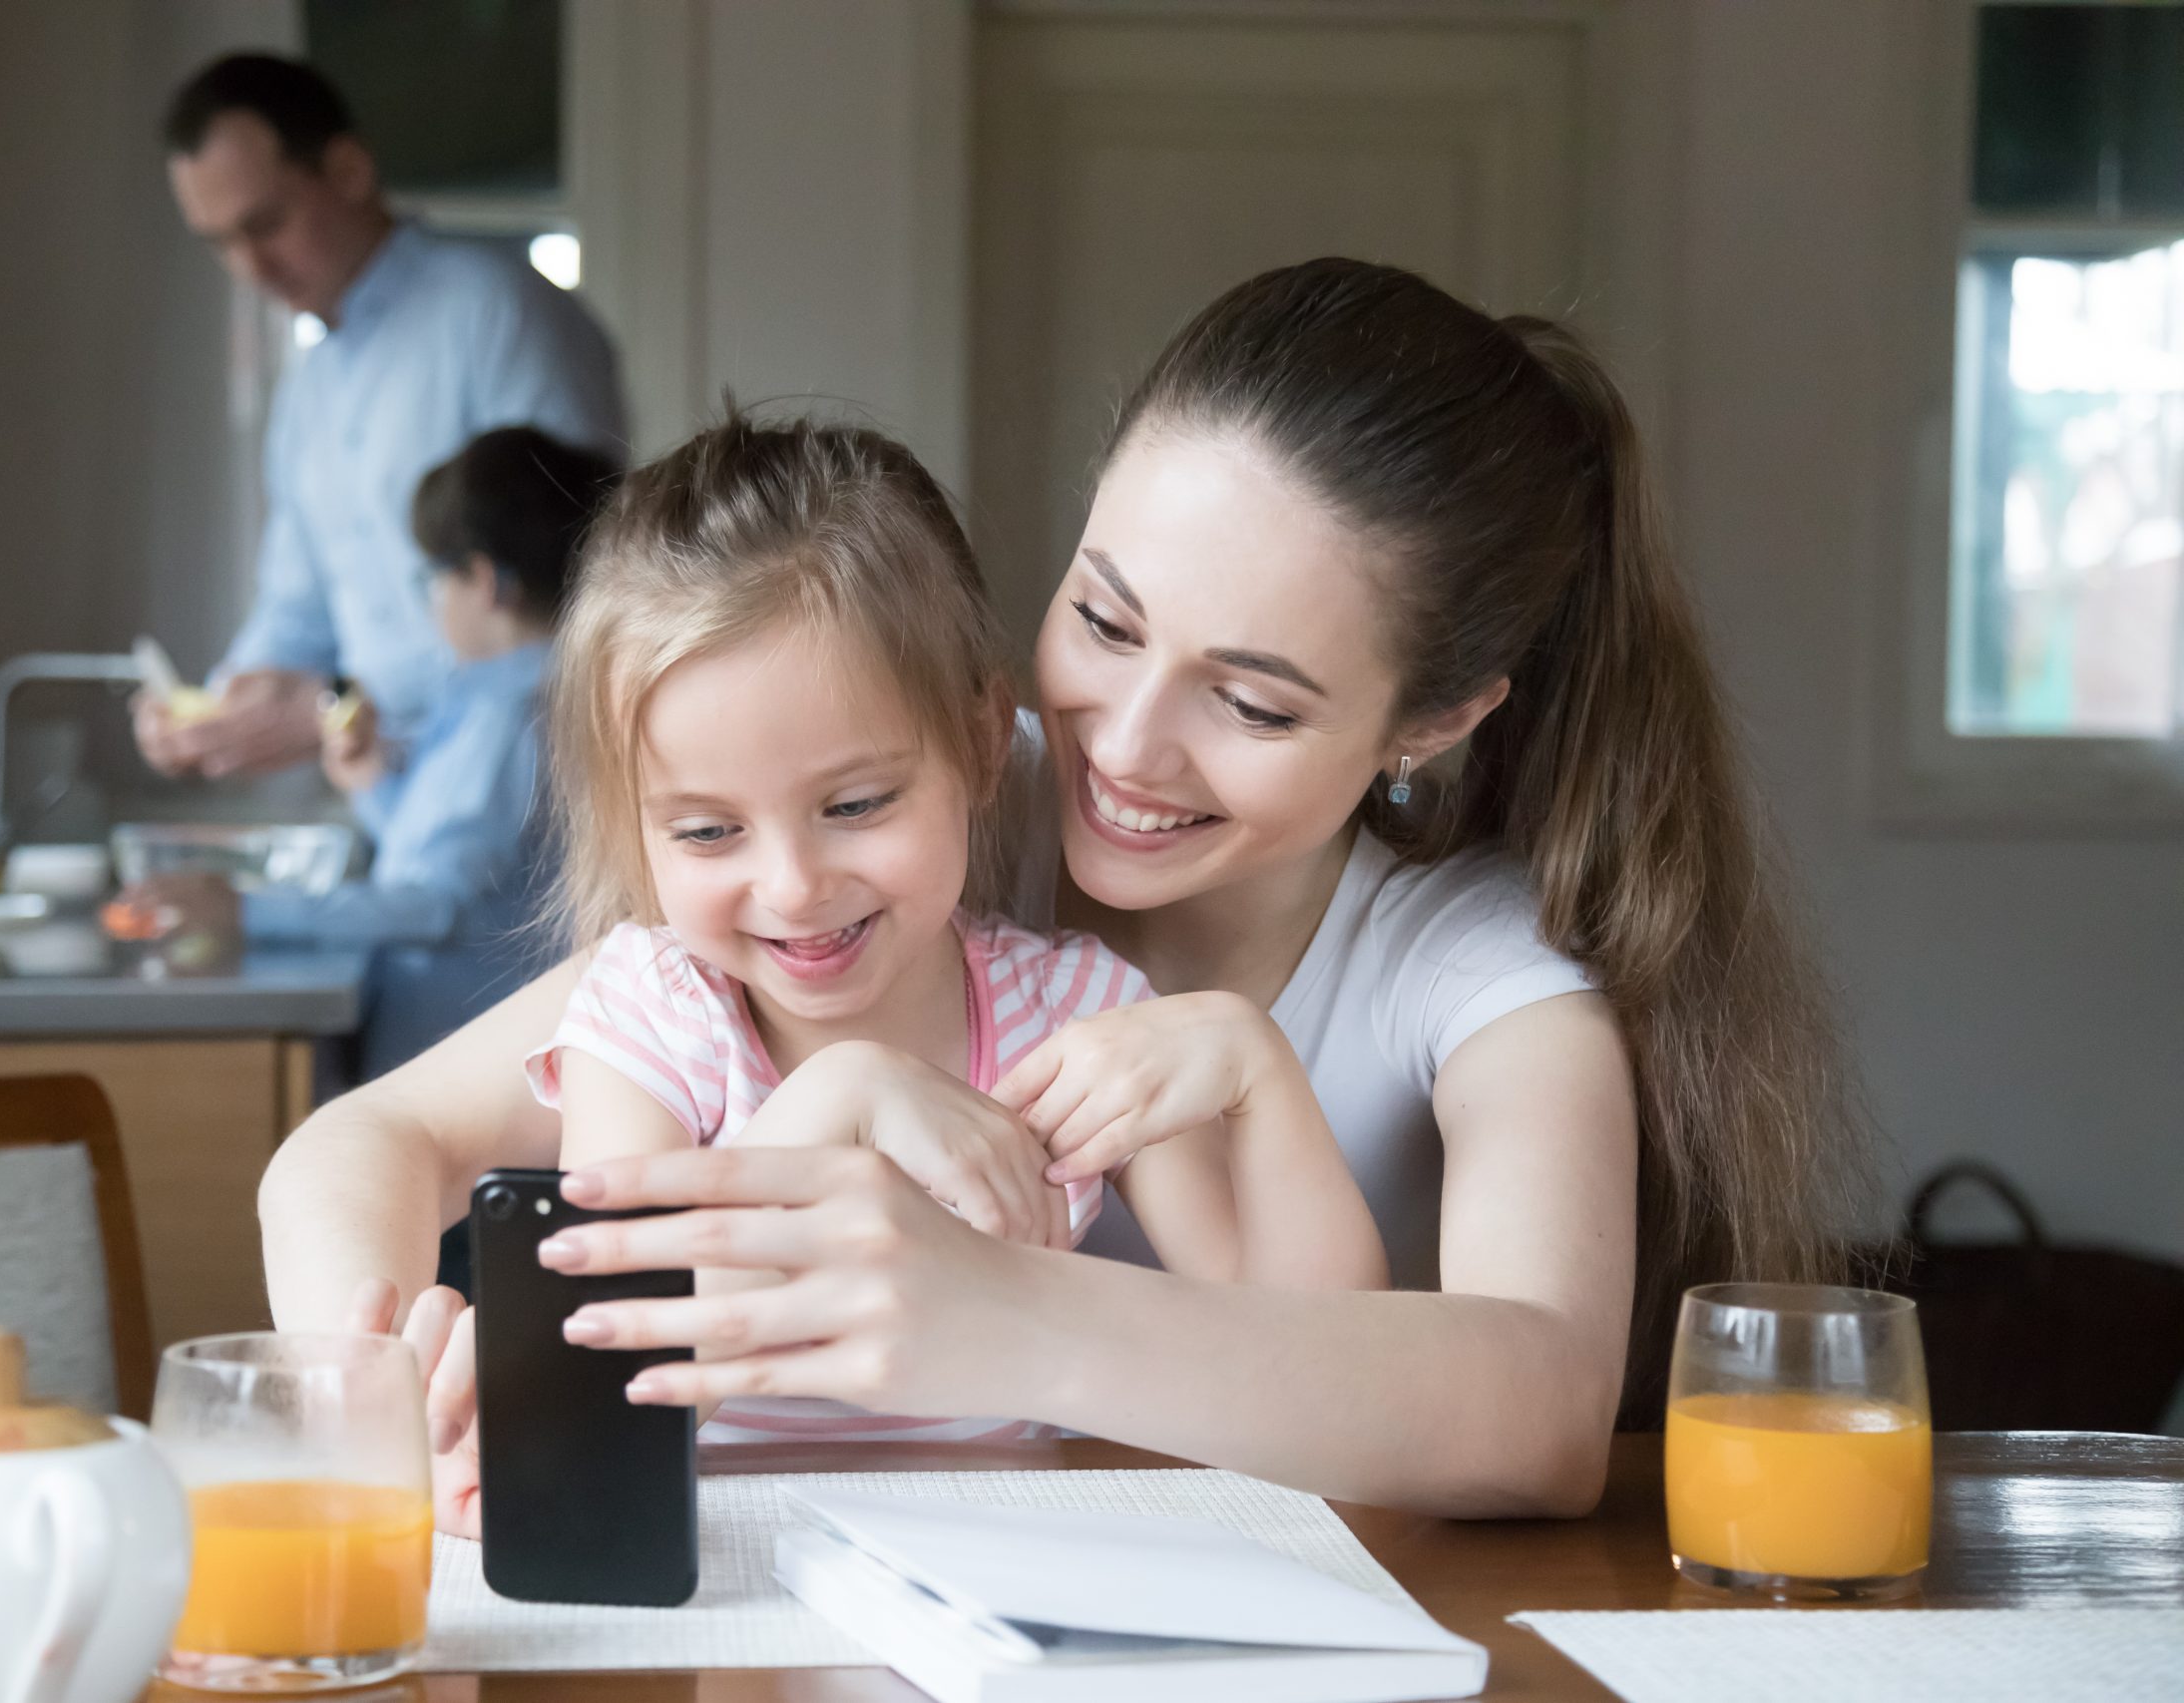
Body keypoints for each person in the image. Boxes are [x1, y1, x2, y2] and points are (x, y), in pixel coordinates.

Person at [261, 259, 1877, 1522]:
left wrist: (1002, 1308)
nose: (1125, 744)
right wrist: (370, 1370)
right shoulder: (898, 817)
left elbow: (1537, 1410)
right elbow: (365, 1142)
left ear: (1437, 719)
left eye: (1251, 701)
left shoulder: (1474, 966)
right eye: (1105, 620)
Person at [520, 416, 1382, 1462]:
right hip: (724, 1595)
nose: (792, 888)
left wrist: (1258, 1067)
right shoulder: (656, 1016)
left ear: (979, 745)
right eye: (707, 831)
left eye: (857, 805)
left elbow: (1320, 1388)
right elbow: (589, 1406)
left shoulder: (1069, 1018)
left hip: (1004, 1582)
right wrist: (841, 1103)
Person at [139, 54, 624, 783]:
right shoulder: (309, 389)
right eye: (220, 243)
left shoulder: (498, 315)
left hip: (522, 815)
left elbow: (577, 587)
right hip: (391, 818)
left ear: (349, 170)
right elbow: (297, 608)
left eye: (265, 223)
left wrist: (335, 706)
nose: (250, 268)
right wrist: (220, 706)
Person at [114, 427, 615, 956]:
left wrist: (246, 910)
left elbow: (432, 906)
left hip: (453, 1022)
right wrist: (372, 781)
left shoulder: (507, 718)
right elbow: (436, 852)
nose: (434, 603)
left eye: (437, 580)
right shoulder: (505, 702)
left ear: (484, 582)